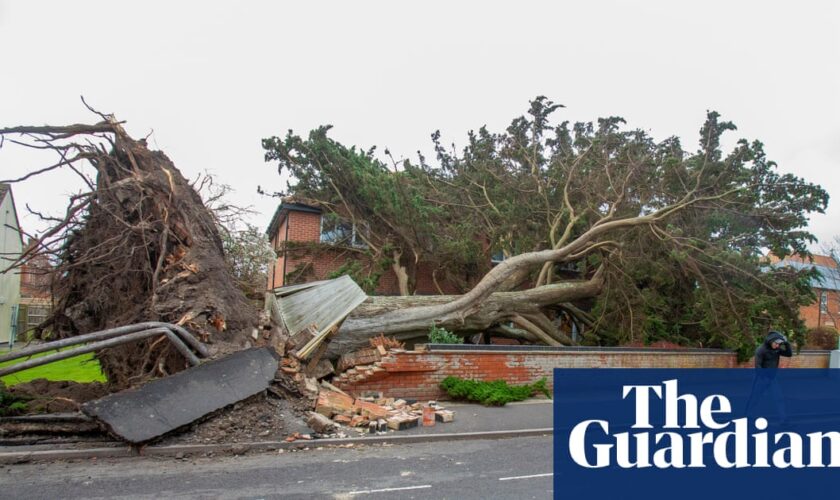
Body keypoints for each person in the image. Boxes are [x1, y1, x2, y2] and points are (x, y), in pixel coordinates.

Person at [744, 331, 791, 423]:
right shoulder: (761, 350)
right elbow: (758, 366)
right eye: (776, 343)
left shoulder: (777, 349)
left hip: (772, 379)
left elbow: (789, 354)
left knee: (779, 398)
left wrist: (786, 343)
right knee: (755, 397)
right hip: (761, 379)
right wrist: (764, 378)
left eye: (779, 344)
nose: (777, 346)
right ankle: (747, 415)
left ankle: (783, 420)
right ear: (770, 341)